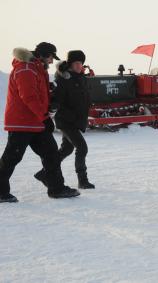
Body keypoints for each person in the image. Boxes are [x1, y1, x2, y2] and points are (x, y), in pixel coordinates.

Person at [0, 42, 80, 203]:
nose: (52, 62)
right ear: (43, 55)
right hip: (22, 123)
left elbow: (37, 94)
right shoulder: (26, 69)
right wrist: (45, 116)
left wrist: (50, 94)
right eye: (51, 57)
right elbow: (29, 97)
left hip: (35, 122)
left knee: (51, 154)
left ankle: (56, 189)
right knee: (12, 157)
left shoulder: (36, 69)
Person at [34, 50, 94, 189]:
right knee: (82, 147)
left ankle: (44, 173)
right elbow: (57, 101)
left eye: (81, 63)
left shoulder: (81, 78)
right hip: (66, 121)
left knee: (66, 149)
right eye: (77, 63)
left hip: (75, 120)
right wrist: (70, 115)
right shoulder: (63, 79)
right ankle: (82, 180)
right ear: (70, 64)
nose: (80, 66)